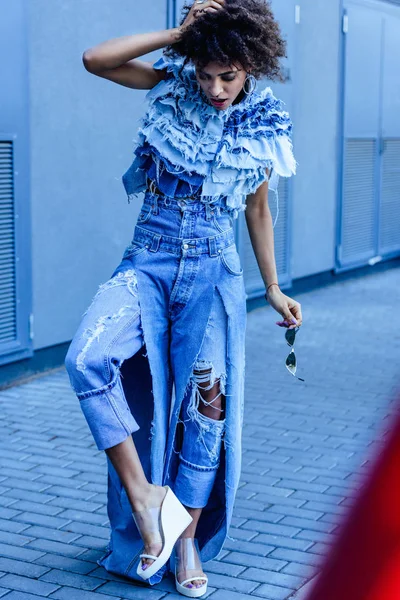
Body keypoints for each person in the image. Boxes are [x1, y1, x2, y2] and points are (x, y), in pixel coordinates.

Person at [65, 0, 303, 596]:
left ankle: (187, 539)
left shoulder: (264, 122)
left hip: (212, 274)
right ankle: (147, 501)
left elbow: (257, 208)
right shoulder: (170, 87)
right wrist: (182, 33)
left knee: (206, 411)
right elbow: (96, 60)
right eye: (206, 74)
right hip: (146, 262)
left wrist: (272, 288)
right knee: (86, 360)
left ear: (251, 63)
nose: (216, 88)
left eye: (228, 75)